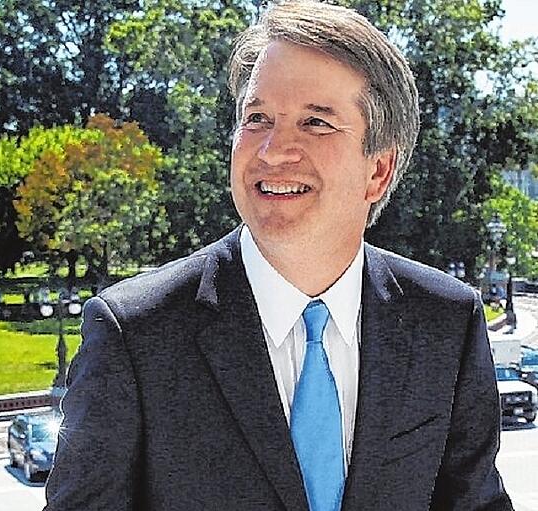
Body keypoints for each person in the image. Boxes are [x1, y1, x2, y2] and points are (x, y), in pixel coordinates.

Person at [44, 2, 511, 510]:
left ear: (378, 170)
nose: (271, 150)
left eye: (315, 122)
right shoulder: (135, 333)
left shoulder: (446, 322)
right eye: (257, 118)